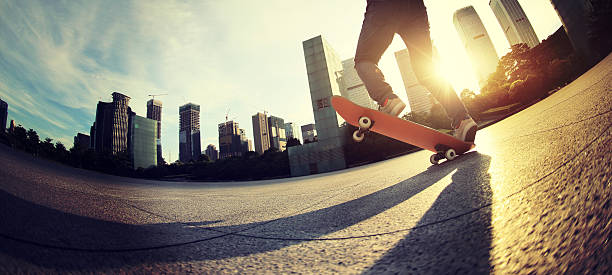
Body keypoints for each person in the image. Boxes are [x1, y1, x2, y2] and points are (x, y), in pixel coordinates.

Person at [354, 0, 477, 142]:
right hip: (415, 8)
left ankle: (387, 99)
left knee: (363, 60)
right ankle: (462, 120)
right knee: (426, 71)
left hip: (384, 6)